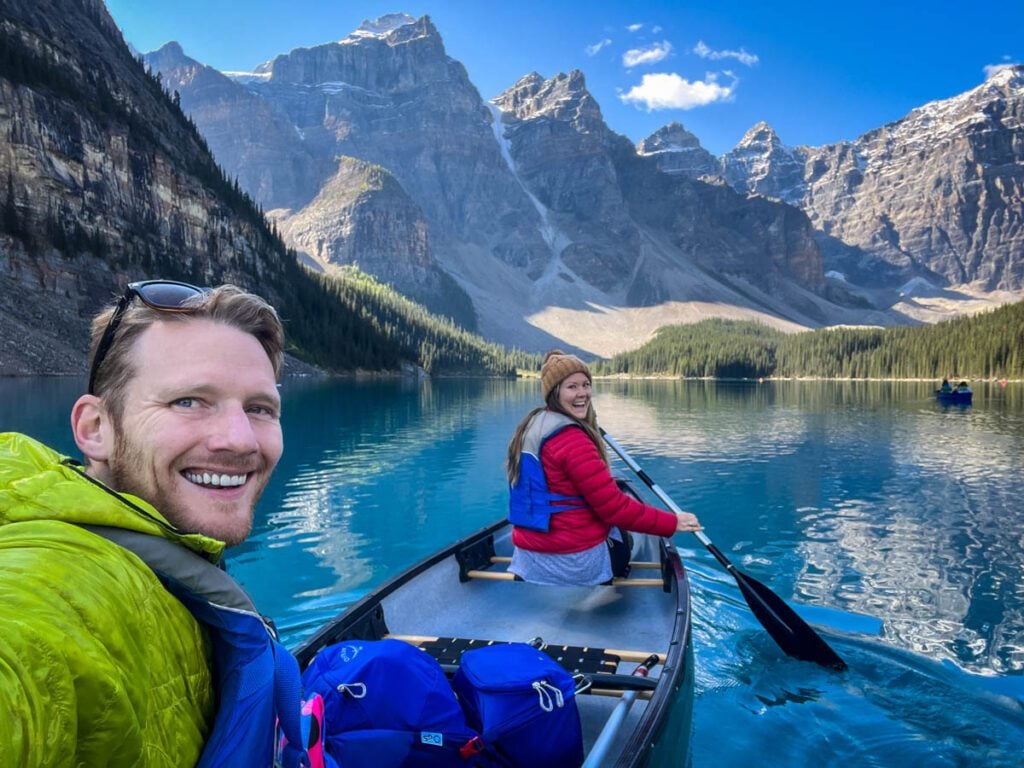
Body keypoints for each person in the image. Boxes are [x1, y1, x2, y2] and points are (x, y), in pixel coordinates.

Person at [0, 280, 308, 767]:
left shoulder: (162, 550)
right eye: (188, 401)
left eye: (259, 408)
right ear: (95, 429)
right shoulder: (60, 582)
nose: (241, 440)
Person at [506, 350, 702, 585]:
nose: (583, 393)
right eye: (572, 387)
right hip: (575, 563)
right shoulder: (572, 440)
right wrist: (673, 522)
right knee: (627, 534)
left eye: (586, 385)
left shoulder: (531, 425)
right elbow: (615, 509)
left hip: (528, 559)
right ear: (554, 392)